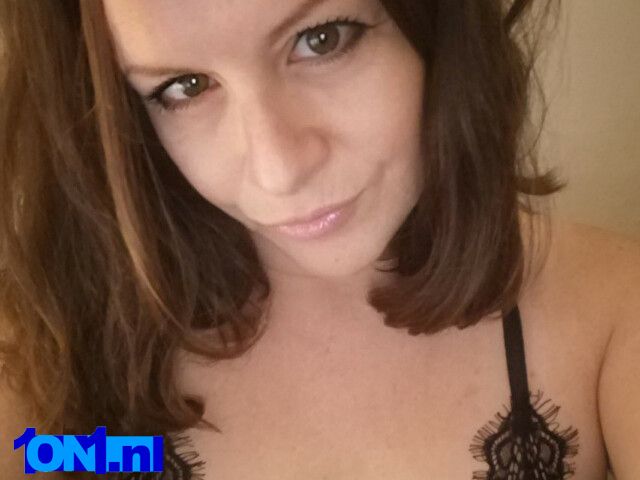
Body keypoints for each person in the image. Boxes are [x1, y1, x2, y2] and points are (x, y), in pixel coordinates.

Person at [0, 0, 638, 479]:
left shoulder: (612, 311)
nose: (278, 169)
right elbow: (44, 452)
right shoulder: (49, 347)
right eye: (186, 87)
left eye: (321, 39)